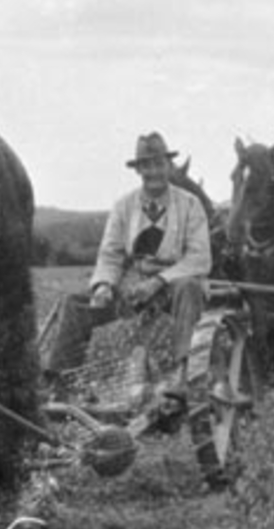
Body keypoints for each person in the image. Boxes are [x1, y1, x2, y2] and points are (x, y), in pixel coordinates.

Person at [90, 132, 212, 397]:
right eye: (147, 165)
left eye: (159, 164)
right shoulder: (123, 206)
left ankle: (183, 373)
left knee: (190, 289)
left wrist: (159, 281)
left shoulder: (190, 205)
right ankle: (57, 380)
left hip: (176, 282)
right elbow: (111, 253)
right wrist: (104, 284)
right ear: (138, 170)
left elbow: (199, 257)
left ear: (168, 166)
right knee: (75, 305)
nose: (153, 172)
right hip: (136, 283)